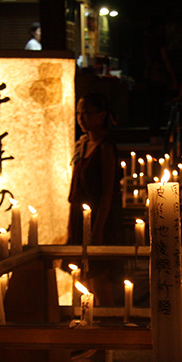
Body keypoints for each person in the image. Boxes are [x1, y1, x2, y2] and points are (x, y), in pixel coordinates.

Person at [67, 93, 122, 305]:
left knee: (99, 278)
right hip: (78, 216)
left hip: (99, 217)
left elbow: (108, 192)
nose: (81, 118)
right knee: (82, 276)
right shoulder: (81, 145)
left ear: (101, 116)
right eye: (79, 114)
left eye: (87, 113)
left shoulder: (105, 148)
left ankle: (107, 323)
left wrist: (98, 229)